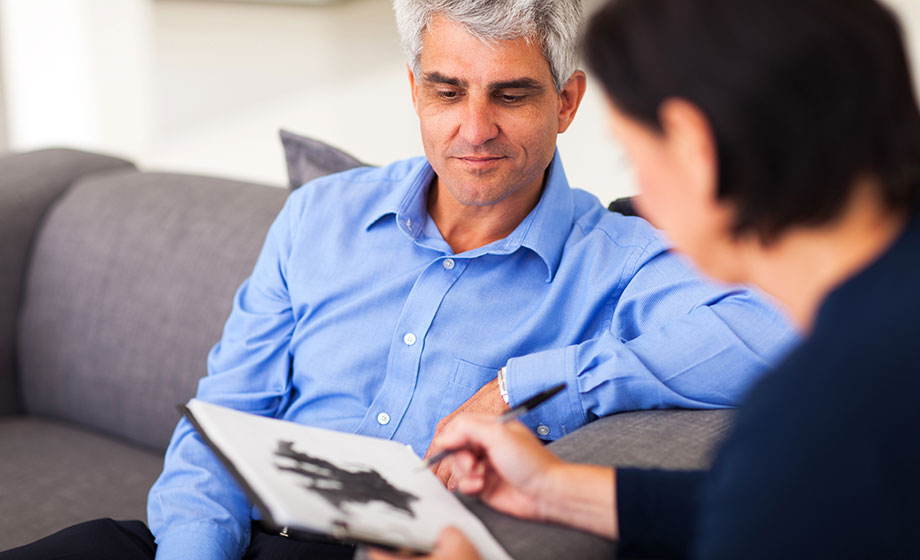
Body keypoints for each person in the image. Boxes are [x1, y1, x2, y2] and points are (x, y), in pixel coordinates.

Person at [0, 1, 795, 559]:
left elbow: (781, 337)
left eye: (510, 94)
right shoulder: (319, 219)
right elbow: (221, 422)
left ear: (567, 101)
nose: (473, 130)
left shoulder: (614, 260)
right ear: (414, 91)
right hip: (207, 539)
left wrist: (540, 383)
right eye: (447, 91)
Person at [366, 0, 920, 558]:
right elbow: (777, 504)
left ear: (695, 151)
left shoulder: (830, 403)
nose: (641, 203)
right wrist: (557, 491)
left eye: (635, 158)